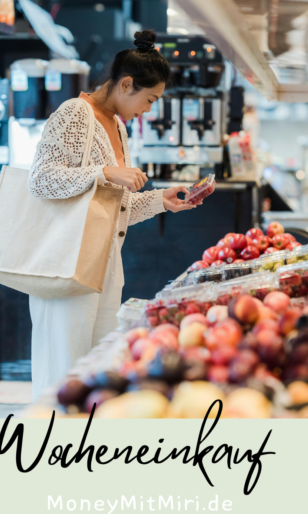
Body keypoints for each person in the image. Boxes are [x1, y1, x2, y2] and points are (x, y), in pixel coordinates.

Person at [27, 29, 197, 401]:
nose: (149, 110)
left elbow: (114, 207)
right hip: (66, 264)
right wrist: (104, 172)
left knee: (97, 370)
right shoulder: (75, 113)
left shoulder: (118, 126)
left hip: (105, 265)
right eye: (149, 99)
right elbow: (40, 181)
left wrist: (160, 201)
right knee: (65, 371)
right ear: (126, 84)